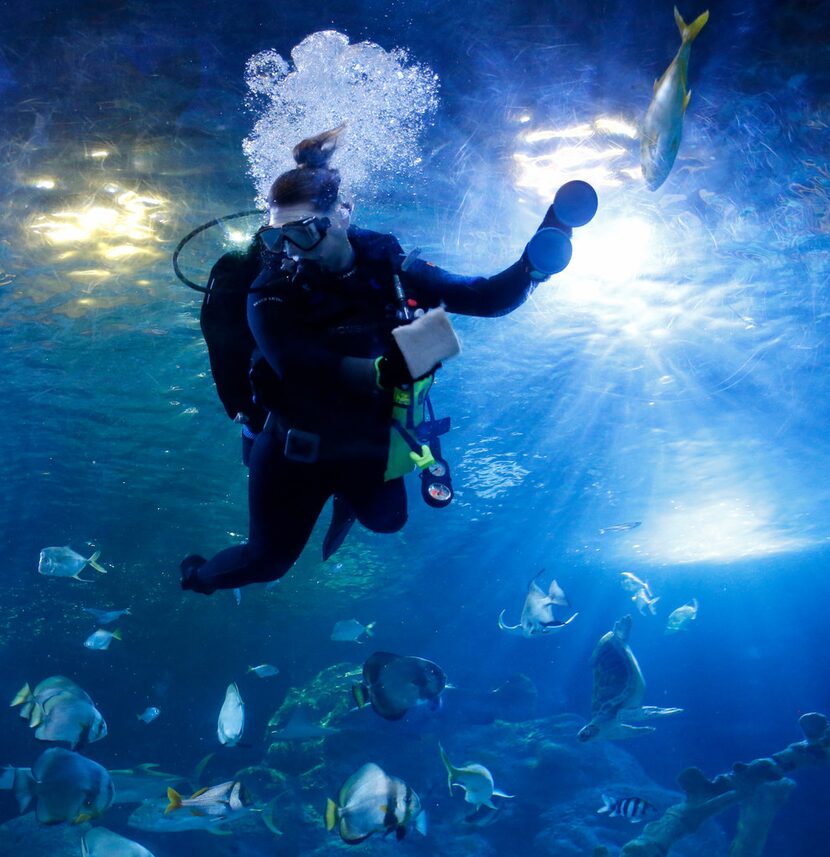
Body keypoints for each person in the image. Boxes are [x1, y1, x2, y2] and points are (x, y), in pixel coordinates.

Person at [181, 125, 596, 594]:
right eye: (279, 239)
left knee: (389, 520)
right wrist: (385, 368)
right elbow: (296, 364)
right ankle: (196, 577)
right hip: (295, 446)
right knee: (266, 562)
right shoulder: (270, 285)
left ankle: (346, 499)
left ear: (342, 214)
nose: (292, 251)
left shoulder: (392, 269)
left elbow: (486, 297)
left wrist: (543, 249)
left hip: (373, 442)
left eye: (306, 232)